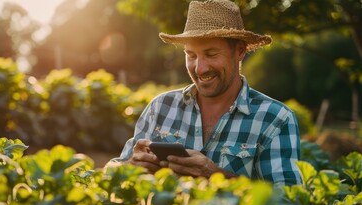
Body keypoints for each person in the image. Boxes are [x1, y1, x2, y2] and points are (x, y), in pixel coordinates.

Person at [105, 0, 302, 186]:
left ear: (240, 51)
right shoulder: (160, 107)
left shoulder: (275, 119)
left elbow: (288, 204)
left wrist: (215, 175)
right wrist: (131, 166)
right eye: (191, 55)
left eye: (211, 54)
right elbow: (111, 173)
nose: (199, 68)